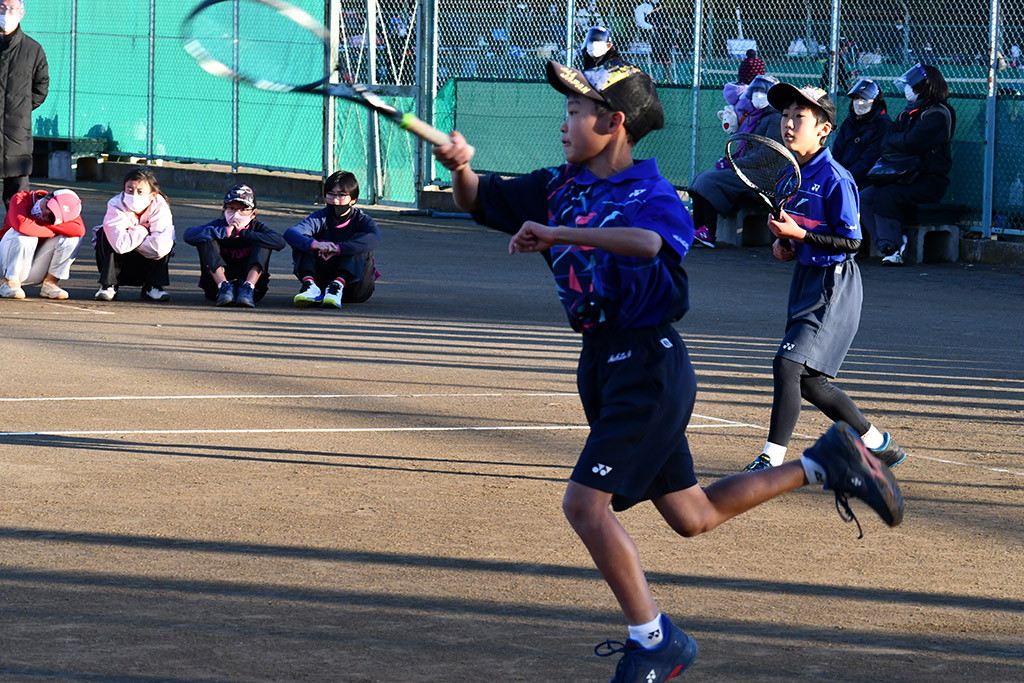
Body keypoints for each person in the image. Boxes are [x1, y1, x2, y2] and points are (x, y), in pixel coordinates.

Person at [433, 57, 905, 683]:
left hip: (648, 365)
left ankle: (654, 639)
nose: (565, 122)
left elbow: (649, 243)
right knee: (692, 515)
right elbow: (479, 201)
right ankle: (827, 463)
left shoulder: (652, 193)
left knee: (584, 506)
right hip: (602, 363)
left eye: (577, 111)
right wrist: (462, 166)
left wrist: (558, 232)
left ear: (614, 122)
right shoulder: (559, 183)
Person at [741, 83, 907, 475]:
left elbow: (852, 241)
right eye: (785, 115)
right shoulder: (789, 175)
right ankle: (879, 444)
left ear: (823, 129)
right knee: (811, 382)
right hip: (806, 277)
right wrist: (785, 244)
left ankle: (771, 459)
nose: (788, 123)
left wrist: (801, 236)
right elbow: (794, 235)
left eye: (799, 116)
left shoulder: (835, 177)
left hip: (834, 283)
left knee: (787, 365)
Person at [860, 64, 955, 265]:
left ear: (925, 87)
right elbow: (887, 141)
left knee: (887, 195)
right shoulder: (907, 113)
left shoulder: (938, 113)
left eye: (913, 86)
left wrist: (900, 141)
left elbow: (914, 142)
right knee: (864, 197)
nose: (908, 90)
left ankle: (894, 247)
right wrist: (901, 141)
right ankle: (885, 244)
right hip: (901, 175)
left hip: (928, 180)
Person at [688, 73, 781, 247]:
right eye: (755, 90)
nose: (756, 95)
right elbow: (746, 150)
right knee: (700, 179)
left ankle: (709, 231)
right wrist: (729, 160)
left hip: (763, 177)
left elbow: (768, 154)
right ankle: (698, 229)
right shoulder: (758, 116)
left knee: (709, 180)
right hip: (749, 171)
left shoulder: (776, 118)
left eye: (761, 91)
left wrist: (734, 164)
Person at [283, 170, 380, 309]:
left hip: (355, 288)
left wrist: (339, 249)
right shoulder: (320, 217)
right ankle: (310, 286)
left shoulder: (362, 220)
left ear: (353, 200)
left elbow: (375, 237)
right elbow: (291, 233)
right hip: (323, 283)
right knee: (303, 241)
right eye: (331, 194)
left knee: (361, 241)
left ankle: (338, 285)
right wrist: (316, 245)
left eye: (341, 195)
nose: (335, 200)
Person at [182, 185, 286, 308]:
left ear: (253, 213)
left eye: (243, 209)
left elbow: (279, 241)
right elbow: (189, 235)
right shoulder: (219, 225)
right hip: (215, 290)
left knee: (263, 241)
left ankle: (248, 286)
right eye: (231, 208)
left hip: (254, 292)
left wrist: (244, 233)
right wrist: (223, 232)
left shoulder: (256, 227)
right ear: (224, 209)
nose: (236, 214)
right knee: (206, 238)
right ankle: (223, 285)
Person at [93, 167, 176, 302]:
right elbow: (119, 245)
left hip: (147, 259)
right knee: (104, 233)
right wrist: (143, 229)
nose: (134, 195)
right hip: (121, 260)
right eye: (129, 190)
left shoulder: (161, 206)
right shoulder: (115, 204)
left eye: (140, 191)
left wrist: (130, 236)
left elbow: (159, 248)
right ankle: (108, 285)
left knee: (167, 237)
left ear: (152, 195)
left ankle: (153, 286)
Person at [0, 0, 48, 208]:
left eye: (11, 8)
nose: (6, 13)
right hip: (17, 135)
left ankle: (12, 240)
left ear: (22, 13)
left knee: (17, 203)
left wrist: (20, 109)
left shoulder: (33, 49)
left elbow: (41, 87)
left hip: (17, 137)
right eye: (2, 7)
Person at [0, 187, 83, 299]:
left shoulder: (70, 213)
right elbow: (22, 226)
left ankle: (50, 283)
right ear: (47, 196)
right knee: (24, 235)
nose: (44, 214)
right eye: (47, 207)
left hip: (35, 270)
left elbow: (79, 230)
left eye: (51, 216)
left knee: (71, 239)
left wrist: (38, 226)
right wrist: (55, 229)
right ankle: (9, 282)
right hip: (5, 264)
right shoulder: (22, 198)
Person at [831, 78, 892, 188]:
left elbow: (869, 161)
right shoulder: (849, 122)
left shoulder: (882, 125)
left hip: (867, 181)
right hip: (841, 177)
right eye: (856, 98)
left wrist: (845, 179)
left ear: (875, 101)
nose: (859, 103)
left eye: (864, 99)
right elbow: (836, 152)